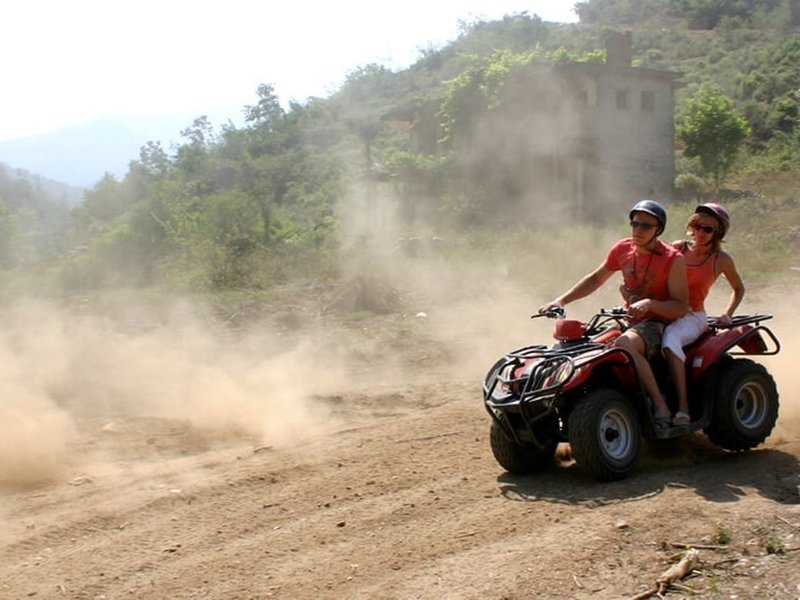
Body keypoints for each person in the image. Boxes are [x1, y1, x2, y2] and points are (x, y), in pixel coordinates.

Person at [539, 199, 688, 427]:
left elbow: (680, 306)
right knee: (586, 345)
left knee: (625, 345)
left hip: (658, 323)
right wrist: (561, 300)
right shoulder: (622, 249)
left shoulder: (672, 259)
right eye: (635, 224)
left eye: (646, 226)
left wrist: (650, 304)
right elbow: (596, 278)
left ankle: (660, 405)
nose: (638, 230)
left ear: (658, 229)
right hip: (629, 320)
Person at [662, 203, 744, 426]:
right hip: (665, 310)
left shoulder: (720, 259)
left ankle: (683, 408)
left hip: (692, 317)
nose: (700, 232)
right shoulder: (677, 248)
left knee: (670, 340)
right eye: (697, 225)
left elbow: (739, 288)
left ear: (717, 233)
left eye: (707, 229)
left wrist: (728, 313)